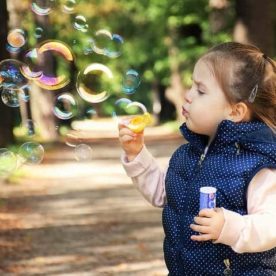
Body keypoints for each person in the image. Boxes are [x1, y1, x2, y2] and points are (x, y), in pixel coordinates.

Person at [118, 42, 276, 275]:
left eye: (201, 91)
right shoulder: (187, 155)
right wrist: (136, 153)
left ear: (234, 111)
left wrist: (229, 227)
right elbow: (164, 193)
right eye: (192, 86)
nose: (188, 96)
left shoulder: (256, 165)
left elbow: (271, 225)